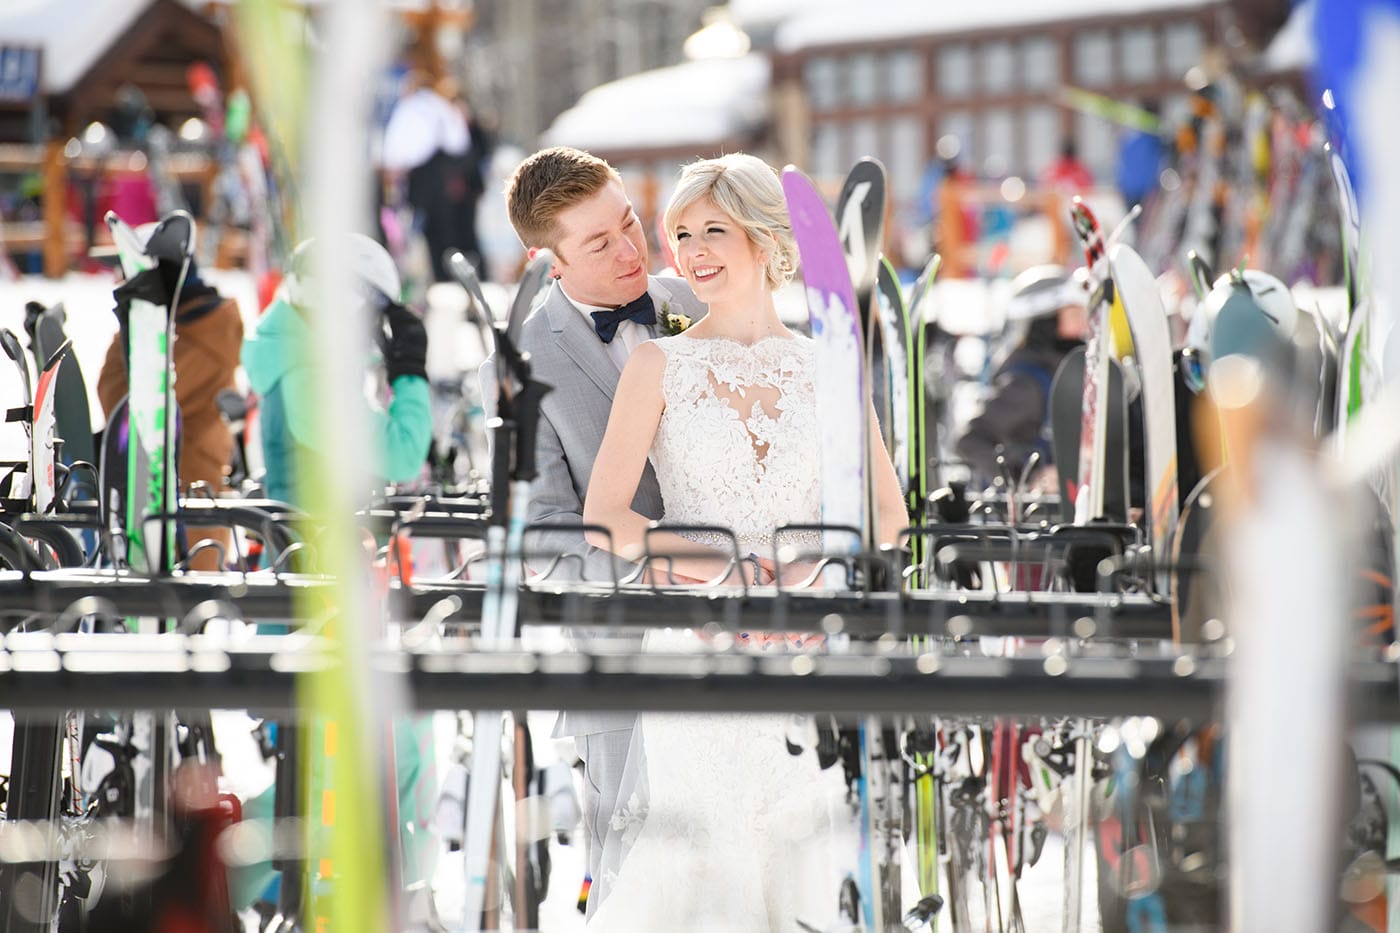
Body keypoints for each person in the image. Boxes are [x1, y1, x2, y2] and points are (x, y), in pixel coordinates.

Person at [581, 153, 907, 926]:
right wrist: (722, 568)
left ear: (765, 238)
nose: (691, 250)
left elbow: (888, 519)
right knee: (704, 857)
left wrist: (802, 567)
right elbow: (606, 514)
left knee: (802, 856)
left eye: (713, 230)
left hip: (806, 649)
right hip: (698, 650)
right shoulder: (658, 363)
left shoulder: (829, 365)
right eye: (681, 233)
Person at [491, 145, 707, 916]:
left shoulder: (699, 299)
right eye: (598, 243)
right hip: (621, 653)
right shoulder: (525, 357)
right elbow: (539, 539)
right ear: (546, 259)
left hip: (741, 634)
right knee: (632, 867)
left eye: (628, 223)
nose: (630, 251)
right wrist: (659, 565)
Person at [97, 252, 243, 571]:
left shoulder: (190, 341)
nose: (117, 283)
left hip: (185, 482)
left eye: (124, 275)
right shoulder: (199, 328)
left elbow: (120, 400)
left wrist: (131, 325)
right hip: (188, 478)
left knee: (187, 607)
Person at [954, 264, 1087, 489]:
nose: (1083, 323)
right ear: (1046, 321)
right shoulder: (1026, 383)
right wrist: (1028, 477)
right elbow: (969, 441)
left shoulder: (1064, 371)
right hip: (1036, 516)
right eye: (1073, 314)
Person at [382, 72, 490, 281]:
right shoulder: (439, 110)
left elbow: (399, 152)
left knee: (442, 241)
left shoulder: (417, 109)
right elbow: (459, 144)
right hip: (451, 188)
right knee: (458, 240)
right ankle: (469, 281)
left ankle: (450, 282)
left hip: (436, 188)